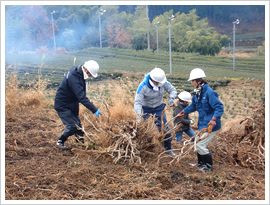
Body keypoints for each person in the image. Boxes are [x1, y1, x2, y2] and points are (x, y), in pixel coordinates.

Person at [178, 68, 224, 171]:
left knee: (201, 144)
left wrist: (214, 119)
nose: (191, 82)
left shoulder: (209, 92)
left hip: (210, 124)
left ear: (199, 81)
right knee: (197, 142)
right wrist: (184, 112)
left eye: (193, 80)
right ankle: (200, 163)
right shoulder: (197, 93)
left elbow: (219, 107)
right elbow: (194, 106)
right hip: (202, 123)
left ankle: (208, 166)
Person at [54, 60, 102, 149]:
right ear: (86, 70)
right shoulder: (74, 77)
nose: (91, 76)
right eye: (91, 74)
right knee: (73, 125)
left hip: (72, 103)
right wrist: (94, 110)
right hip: (63, 104)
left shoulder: (79, 73)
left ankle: (80, 145)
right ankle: (60, 142)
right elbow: (81, 97)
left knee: (79, 127)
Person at [134, 67, 177, 156]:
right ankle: (141, 149)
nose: (159, 84)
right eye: (157, 83)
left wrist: (171, 98)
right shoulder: (143, 86)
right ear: (153, 80)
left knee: (165, 129)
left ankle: (168, 149)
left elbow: (172, 90)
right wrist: (139, 116)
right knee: (142, 130)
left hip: (158, 109)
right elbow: (137, 102)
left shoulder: (163, 82)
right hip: (145, 109)